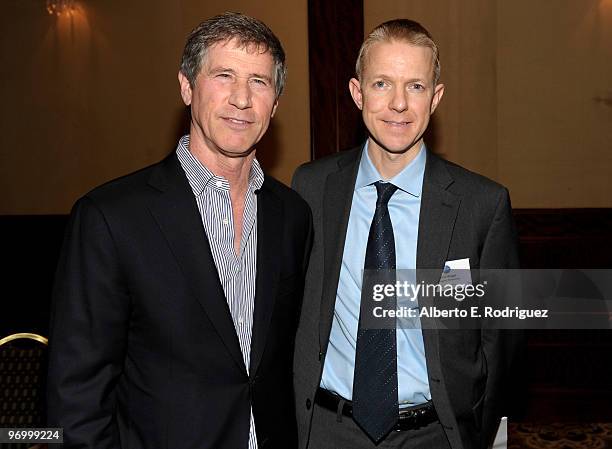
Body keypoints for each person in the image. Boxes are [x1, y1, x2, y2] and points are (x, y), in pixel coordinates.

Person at [47, 12, 312, 449]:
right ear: (187, 87)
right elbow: (75, 396)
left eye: (259, 82)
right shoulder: (111, 218)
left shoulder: (293, 216)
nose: (242, 99)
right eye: (224, 75)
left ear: (276, 103)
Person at [292, 19, 520, 449]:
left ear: (435, 98)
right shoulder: (312, 187)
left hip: (434, 434)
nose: (398, 104)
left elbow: (499, 344)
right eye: (382, 83)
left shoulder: (480, 206)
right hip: (325, 430)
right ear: (357, 93)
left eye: (415, 86)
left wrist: (475, 434)